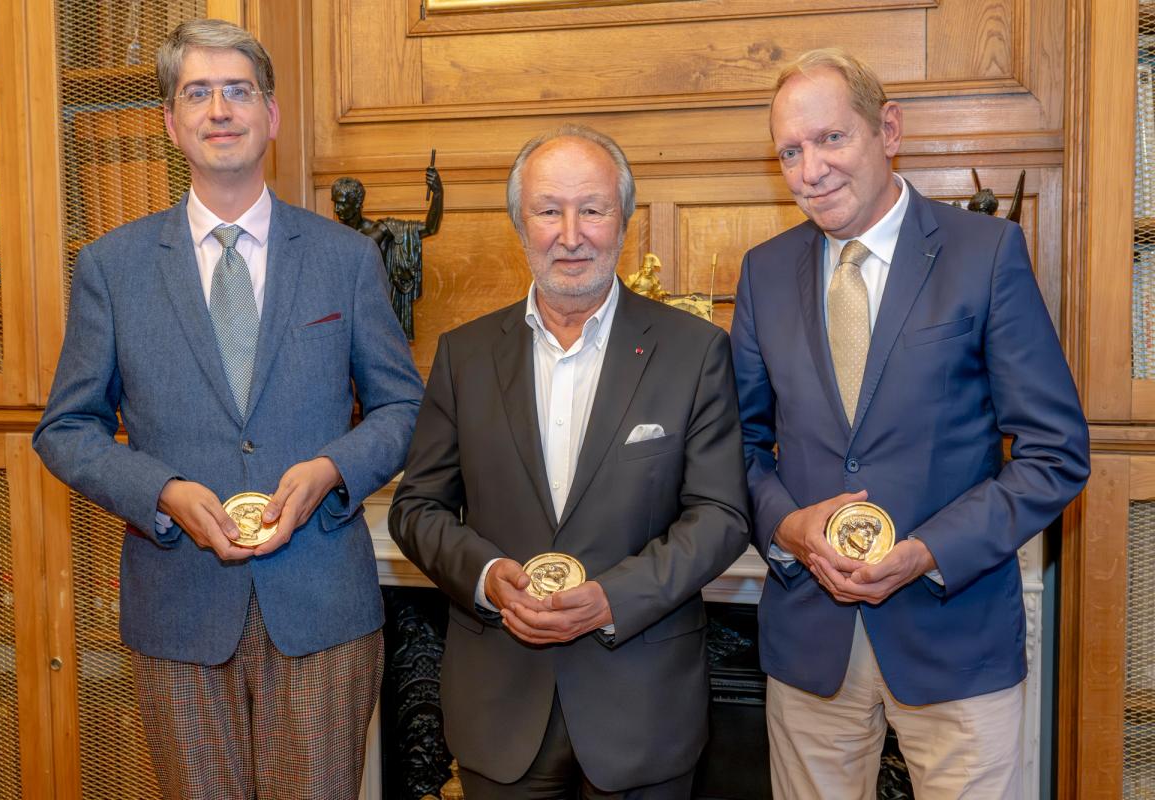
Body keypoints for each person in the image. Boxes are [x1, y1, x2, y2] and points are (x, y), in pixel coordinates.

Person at [32, 19, 423, 800]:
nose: (220, 110)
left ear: (270, 117)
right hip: (178, 606)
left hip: (321, 608)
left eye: (238, 91)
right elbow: (65, 429)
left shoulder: (345, 258)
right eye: (198, 93)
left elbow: (402, 405)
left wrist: (330, 468)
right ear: (171, 123)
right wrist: (161, 492)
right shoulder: (112, 266)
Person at [730, 47, 1090, 797]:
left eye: (832, 139)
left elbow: (1055, 453)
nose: (811, 170)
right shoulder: (763, 274)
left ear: (887, 129)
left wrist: (927, 550)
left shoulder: (985, 254)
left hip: (955, 635)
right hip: (809, 642)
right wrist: (791, 531)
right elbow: (737, 443)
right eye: (790, 151)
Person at [389, 124, 750, 799]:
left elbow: (722, 515)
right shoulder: (463, 355)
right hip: (500, 706)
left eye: (593, 208)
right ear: (519, 224)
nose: (571, 233)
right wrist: (490, 574)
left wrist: (613, 597)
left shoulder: (694, 350)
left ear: (624, 220)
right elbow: (417, 508)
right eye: (549, 210)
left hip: (642, 709)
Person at [331, 168, 444, 340]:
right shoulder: (329, 234)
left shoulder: (384, 230)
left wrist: (438, 193)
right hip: (340, 314)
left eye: (343, 203)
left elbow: (430, 228)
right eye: (335, 203)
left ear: (358, 203)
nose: (338, 209)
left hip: (375, 314)